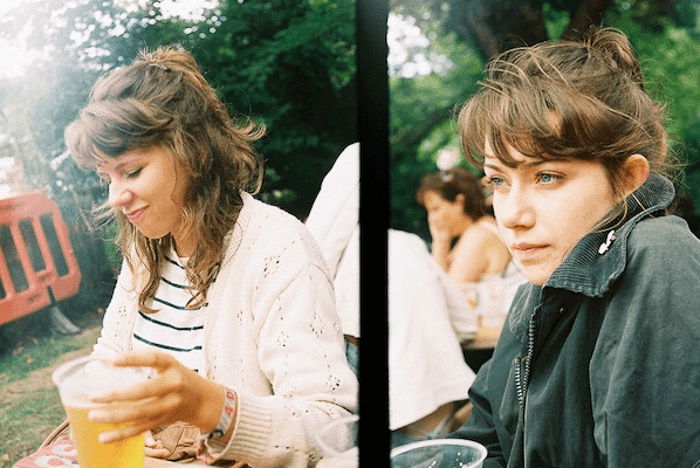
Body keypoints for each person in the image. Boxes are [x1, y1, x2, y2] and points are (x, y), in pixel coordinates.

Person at [61, 46, 357, 467]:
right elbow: (110, 359)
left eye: (131, 171)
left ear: (192, 150)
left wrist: (211, 408)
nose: (115, 197)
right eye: (104, 176)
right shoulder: (146, 247)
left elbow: (331, 426)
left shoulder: (278, 248)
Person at [451, 26, 700, 467]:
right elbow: (485, 438)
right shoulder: (534, 295)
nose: (511, 214)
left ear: (627, 178)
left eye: (546, 176)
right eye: (498, 180)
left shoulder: (660, 258)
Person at [305, 143, 478, 449]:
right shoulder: (409, 244)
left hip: (381, 406)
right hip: (433, 403)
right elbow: (465, 324)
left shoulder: (317, 264)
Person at [416, 166, 525, 331]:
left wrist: (440, 243)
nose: (432, 219)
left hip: (501, 336)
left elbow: (445, 302)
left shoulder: (479, 236)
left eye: (436, 209)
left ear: (459, 203)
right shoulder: (478, 229)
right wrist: (441, 242)